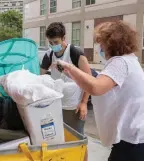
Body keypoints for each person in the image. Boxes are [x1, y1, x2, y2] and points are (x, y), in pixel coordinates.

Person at [53, 21, 144, 161]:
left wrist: (71, 68)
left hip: (132, 140)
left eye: (101, 43)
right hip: (132, 137)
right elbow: (93, 83)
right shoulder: (129, 61)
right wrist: (70, 73)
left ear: (113, 43)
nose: (100, 47)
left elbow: (95, 87)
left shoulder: (120, 63)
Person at [40, 22, 91, 134]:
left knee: (76, 138)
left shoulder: (75, 52)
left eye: (56, 42)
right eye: (50, 42)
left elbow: (89, 79)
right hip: (55, 105)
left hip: (74, 106)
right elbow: (41, 77)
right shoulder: (49, 55)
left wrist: (84, 103)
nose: (53, 45)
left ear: (64, 38)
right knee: (59, 137)